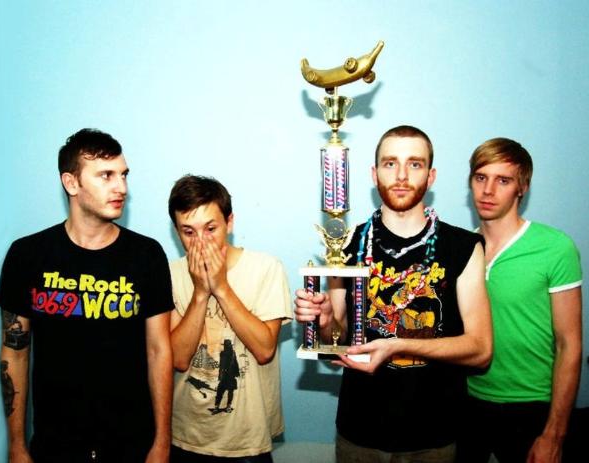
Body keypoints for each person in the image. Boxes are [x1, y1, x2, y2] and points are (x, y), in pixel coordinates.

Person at [295, 125, 493, 463]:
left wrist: (397, 345)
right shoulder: (347, 244)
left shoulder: (463, 246)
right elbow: (336, 341)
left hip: (434, 436)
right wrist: (325, 321)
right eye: (390, 163)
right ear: (374, 174)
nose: (401, 175)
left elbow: (481, 349)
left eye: (414, 164)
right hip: (360, 432)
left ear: (431, 176)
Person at [0, 128, 173, 463]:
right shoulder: (28, 255)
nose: (121, 187)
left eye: (123, 175)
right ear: (71, 182)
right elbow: (15, 354)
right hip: (55, 445)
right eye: (106, 175)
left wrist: (162, 443)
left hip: (131, 444)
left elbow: (159, 350)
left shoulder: (146, 255)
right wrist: (16, 445)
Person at [456, 138, 583, 463]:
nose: (488, 191)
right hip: (466, 403)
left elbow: (570, 345)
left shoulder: (555, 248)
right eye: (481, 177)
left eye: (503, 180)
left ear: (522, 187)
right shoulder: (460, 248)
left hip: (531, 407)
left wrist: (554, 434)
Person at [167, 175, 292, 462]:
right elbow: (179, 359)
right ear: (176, 232)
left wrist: (221, 288)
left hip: (248, 439)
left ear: (229, 222)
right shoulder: (170, 274)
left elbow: (264, 349)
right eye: (188, 232)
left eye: (210, 228)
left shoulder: (266, 268)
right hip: (186, 436)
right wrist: (200, 293)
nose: (201, 242)